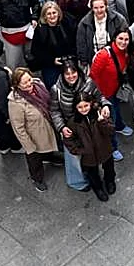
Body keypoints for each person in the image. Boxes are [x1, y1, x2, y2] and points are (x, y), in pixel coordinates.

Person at [49, 59, 106, 189]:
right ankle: (77, 182)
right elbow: (54, 111)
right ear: (62, 75)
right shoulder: (56, 89)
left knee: (92, 151)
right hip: (71, 128)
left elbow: (99, 97)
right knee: (73, 157)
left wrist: (105, 105)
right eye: (67, 74)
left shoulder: (88, 83)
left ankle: (92, 174)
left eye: (73, 72)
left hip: (89, 124)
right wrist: (61, 127)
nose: (71, 76)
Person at [7, 68, 60, 191]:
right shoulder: (15, 102)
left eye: (29, 80)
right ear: (17, 85)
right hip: (34, 135)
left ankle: (49, 156)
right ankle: (37, 178)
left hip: (46, 126)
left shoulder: (38, 84)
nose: (29, 84)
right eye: (24, 83)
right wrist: (29, 146)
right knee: (34, 158)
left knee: (49, 144)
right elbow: (18, 128)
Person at [65, 91, 117, 201]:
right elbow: (69, 139)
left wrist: (102, 122)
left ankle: (110, 181)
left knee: (109, 167)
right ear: (76, 107)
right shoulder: (73, 122)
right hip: (88, 155)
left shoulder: (99, 113)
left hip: (105, 148)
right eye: (80, 107)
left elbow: (111, 130)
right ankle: (98, 188)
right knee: (92, 173)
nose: (84, 109)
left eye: (86, 105)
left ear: (91, 103)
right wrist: (78, 150)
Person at [29, 0, 79, 90]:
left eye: (54, 13)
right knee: (54, 89)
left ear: (58, 13)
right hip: (51, 64)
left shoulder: (67, 23)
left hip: (70, 61)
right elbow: (36, 51)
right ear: (44, 16)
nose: (52, 16)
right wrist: (52, 60)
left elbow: (76, 42)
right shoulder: (40, 30)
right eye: (48, 14)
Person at [75, 0, 127, 68]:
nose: (99, 10)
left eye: (102, 7)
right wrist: (84, 62)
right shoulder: (84, 23)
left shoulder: (119, 19)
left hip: (115, 58)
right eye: (96, 8)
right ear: (92, 8)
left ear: (106, 6)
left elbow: (126, 38)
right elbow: (81, 45)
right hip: (94, 60)